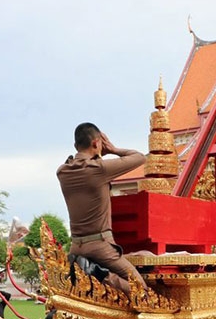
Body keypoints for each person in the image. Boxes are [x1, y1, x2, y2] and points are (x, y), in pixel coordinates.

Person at [56, 123, 147, 294]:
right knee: (141, 291)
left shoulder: (62, 172)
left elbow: (81, 165)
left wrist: (96, 154)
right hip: (100, 246)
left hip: (76, 246)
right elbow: (140, 157)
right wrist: (113, 149)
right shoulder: (99, 169)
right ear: (97, 143)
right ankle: (99, 275)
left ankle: (93, 273)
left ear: (76, 146)